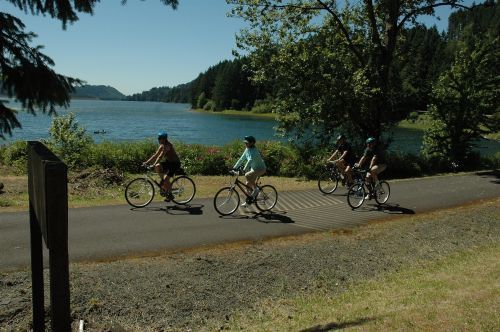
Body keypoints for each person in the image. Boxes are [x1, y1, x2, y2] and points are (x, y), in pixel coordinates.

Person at [143, 131, 181, 201]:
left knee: (166, 178)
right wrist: (147, 162)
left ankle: (170, 195)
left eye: (160, 138)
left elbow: (160, 156)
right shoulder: (162, 145)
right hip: (169, 162)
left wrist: (153, 165)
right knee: (157, 166)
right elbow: (156, 155)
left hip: (175, 164)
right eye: (158, 138)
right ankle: (164, 182)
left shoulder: (167, 146)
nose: (158, 139)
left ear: (164, 139)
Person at [233, 135, 267, 207]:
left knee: (247, 175)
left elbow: (250, 160)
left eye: (247, 143)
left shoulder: (254, 151)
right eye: (245, 142)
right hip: (254, 169)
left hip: (261, 168)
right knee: (247, 184)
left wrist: (244, 169)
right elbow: (241, 159)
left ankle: (256, 190)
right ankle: (249, 201)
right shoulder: (247, 149)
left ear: (252, 143)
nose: (245, 144)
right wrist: (234, 168)